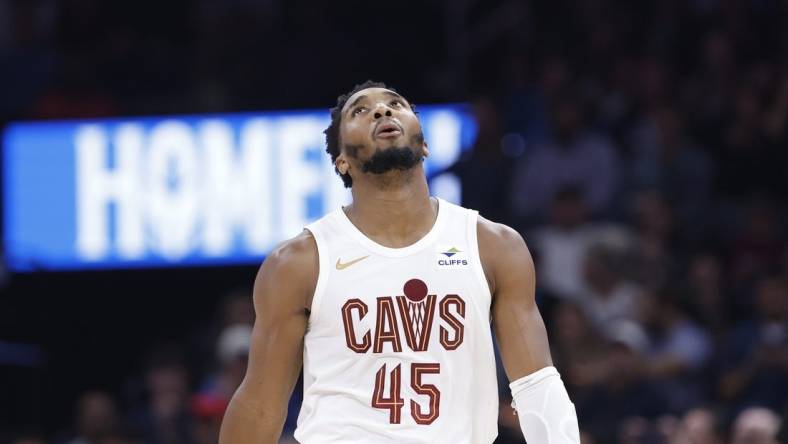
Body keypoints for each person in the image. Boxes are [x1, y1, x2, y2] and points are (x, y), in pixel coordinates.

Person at [219, 81, 580, 443]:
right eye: (361, 111)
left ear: (424, 143)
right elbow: (260, 406)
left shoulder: (494, 246)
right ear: (341, 160)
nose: (382, 111)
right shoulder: (299, 262)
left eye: (396, 104)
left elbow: (537, 386)